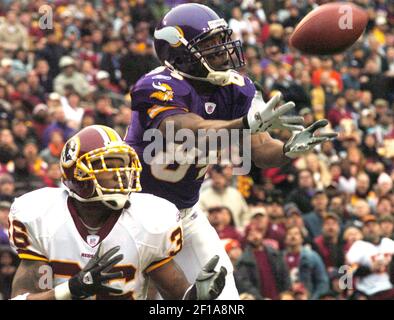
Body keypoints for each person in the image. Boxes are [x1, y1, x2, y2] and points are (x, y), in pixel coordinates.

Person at [124, 3, 336, 299]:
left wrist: (287, 150)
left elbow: (260, 149)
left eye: (222, 40)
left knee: (223, 296)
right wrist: (244, 124)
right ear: (178, 52)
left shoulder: (237, 88)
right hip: (134, 213)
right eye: (209, 44)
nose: (223, 50)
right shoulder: (157, 85)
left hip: (185, 214)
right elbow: (187, 130)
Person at [9, 125, 226, 300]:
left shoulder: (150, 220)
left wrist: (197, 298)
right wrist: (71, 290)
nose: (121, 175)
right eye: (108, 166)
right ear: (78, 175)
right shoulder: (42, 215)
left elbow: (178, 297)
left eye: (124, 166)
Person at [346, 215, 394, 300]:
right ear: (363, 230)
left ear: (379, 228)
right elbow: (347, 270)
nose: (371, 228)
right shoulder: (358, 246)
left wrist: (389, 265)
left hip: (388, 288)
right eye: (367, 226)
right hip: (366, 290)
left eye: (374, 225)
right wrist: (370, 268)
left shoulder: (389, 243)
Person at [284, 225, 329, 300]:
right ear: (285, 239)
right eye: (289, 234)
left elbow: (322, 281)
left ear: (302, 239)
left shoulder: (312, 256)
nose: (293, 236)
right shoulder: (280, 258)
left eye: (296, 233)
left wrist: (315, 298)